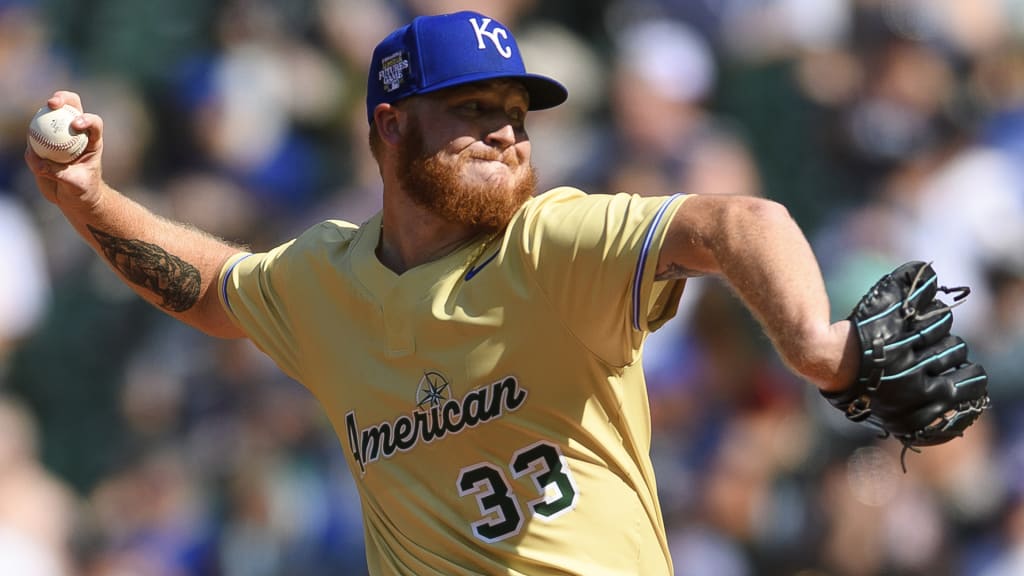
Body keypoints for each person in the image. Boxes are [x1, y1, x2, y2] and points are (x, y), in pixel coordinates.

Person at [25, 10, 859, 576]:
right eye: (473, 108)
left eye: (517, 114)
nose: (506, 131)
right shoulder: (321, 278)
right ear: (390, 126)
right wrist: (89, 201)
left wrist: (813, 343)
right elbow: (210, 289)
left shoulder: (549, 243)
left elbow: (738, 221)